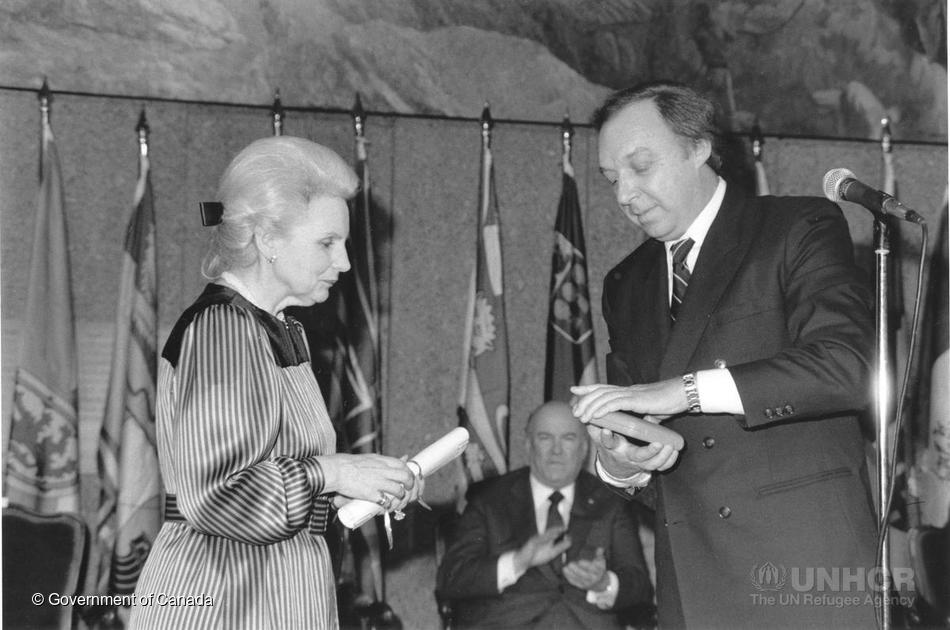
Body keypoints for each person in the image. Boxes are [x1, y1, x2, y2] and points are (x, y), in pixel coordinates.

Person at [570, 81, 878, 629]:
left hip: (806, 573)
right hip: (694, 583)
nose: (624, 194)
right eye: (612, 179)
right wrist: (618, 463)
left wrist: (684, 390)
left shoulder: (797, 226)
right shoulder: (625, 282)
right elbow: (637, 421)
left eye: (641, 167)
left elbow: (845, 368)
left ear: (698, 148)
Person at [129, 136, 422, 629]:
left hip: (268, 595)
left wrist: (352, 492)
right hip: (226, 602)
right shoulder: (224, 329)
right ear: (267, 239)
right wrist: (332, 474)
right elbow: (219, 494)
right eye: (327, 243)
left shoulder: (275, 328)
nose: (346, 262)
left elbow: (272, 476)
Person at [437, 401, 652, 629]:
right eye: (545, 438)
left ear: (584, 449)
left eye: (568, 438)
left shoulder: (610, 502)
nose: (556, 450)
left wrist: (603, 583)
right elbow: (451, 578)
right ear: (529, 446)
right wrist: (518, 562)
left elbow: (639, 586)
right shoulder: (489, 499)